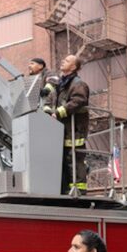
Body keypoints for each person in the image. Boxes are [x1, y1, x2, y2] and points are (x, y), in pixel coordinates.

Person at [41, 54, 90, 195]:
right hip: (61, 130)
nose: (63, 61)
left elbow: (78, 101)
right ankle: (65, 188)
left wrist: (59, 112)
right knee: (63, 160)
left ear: (74, 67)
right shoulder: (60, 85)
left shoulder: (78, 84)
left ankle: (79, 189)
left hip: (74, 130)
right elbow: (50, 101)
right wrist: (48, 111)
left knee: (74, 159)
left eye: (67, 60)